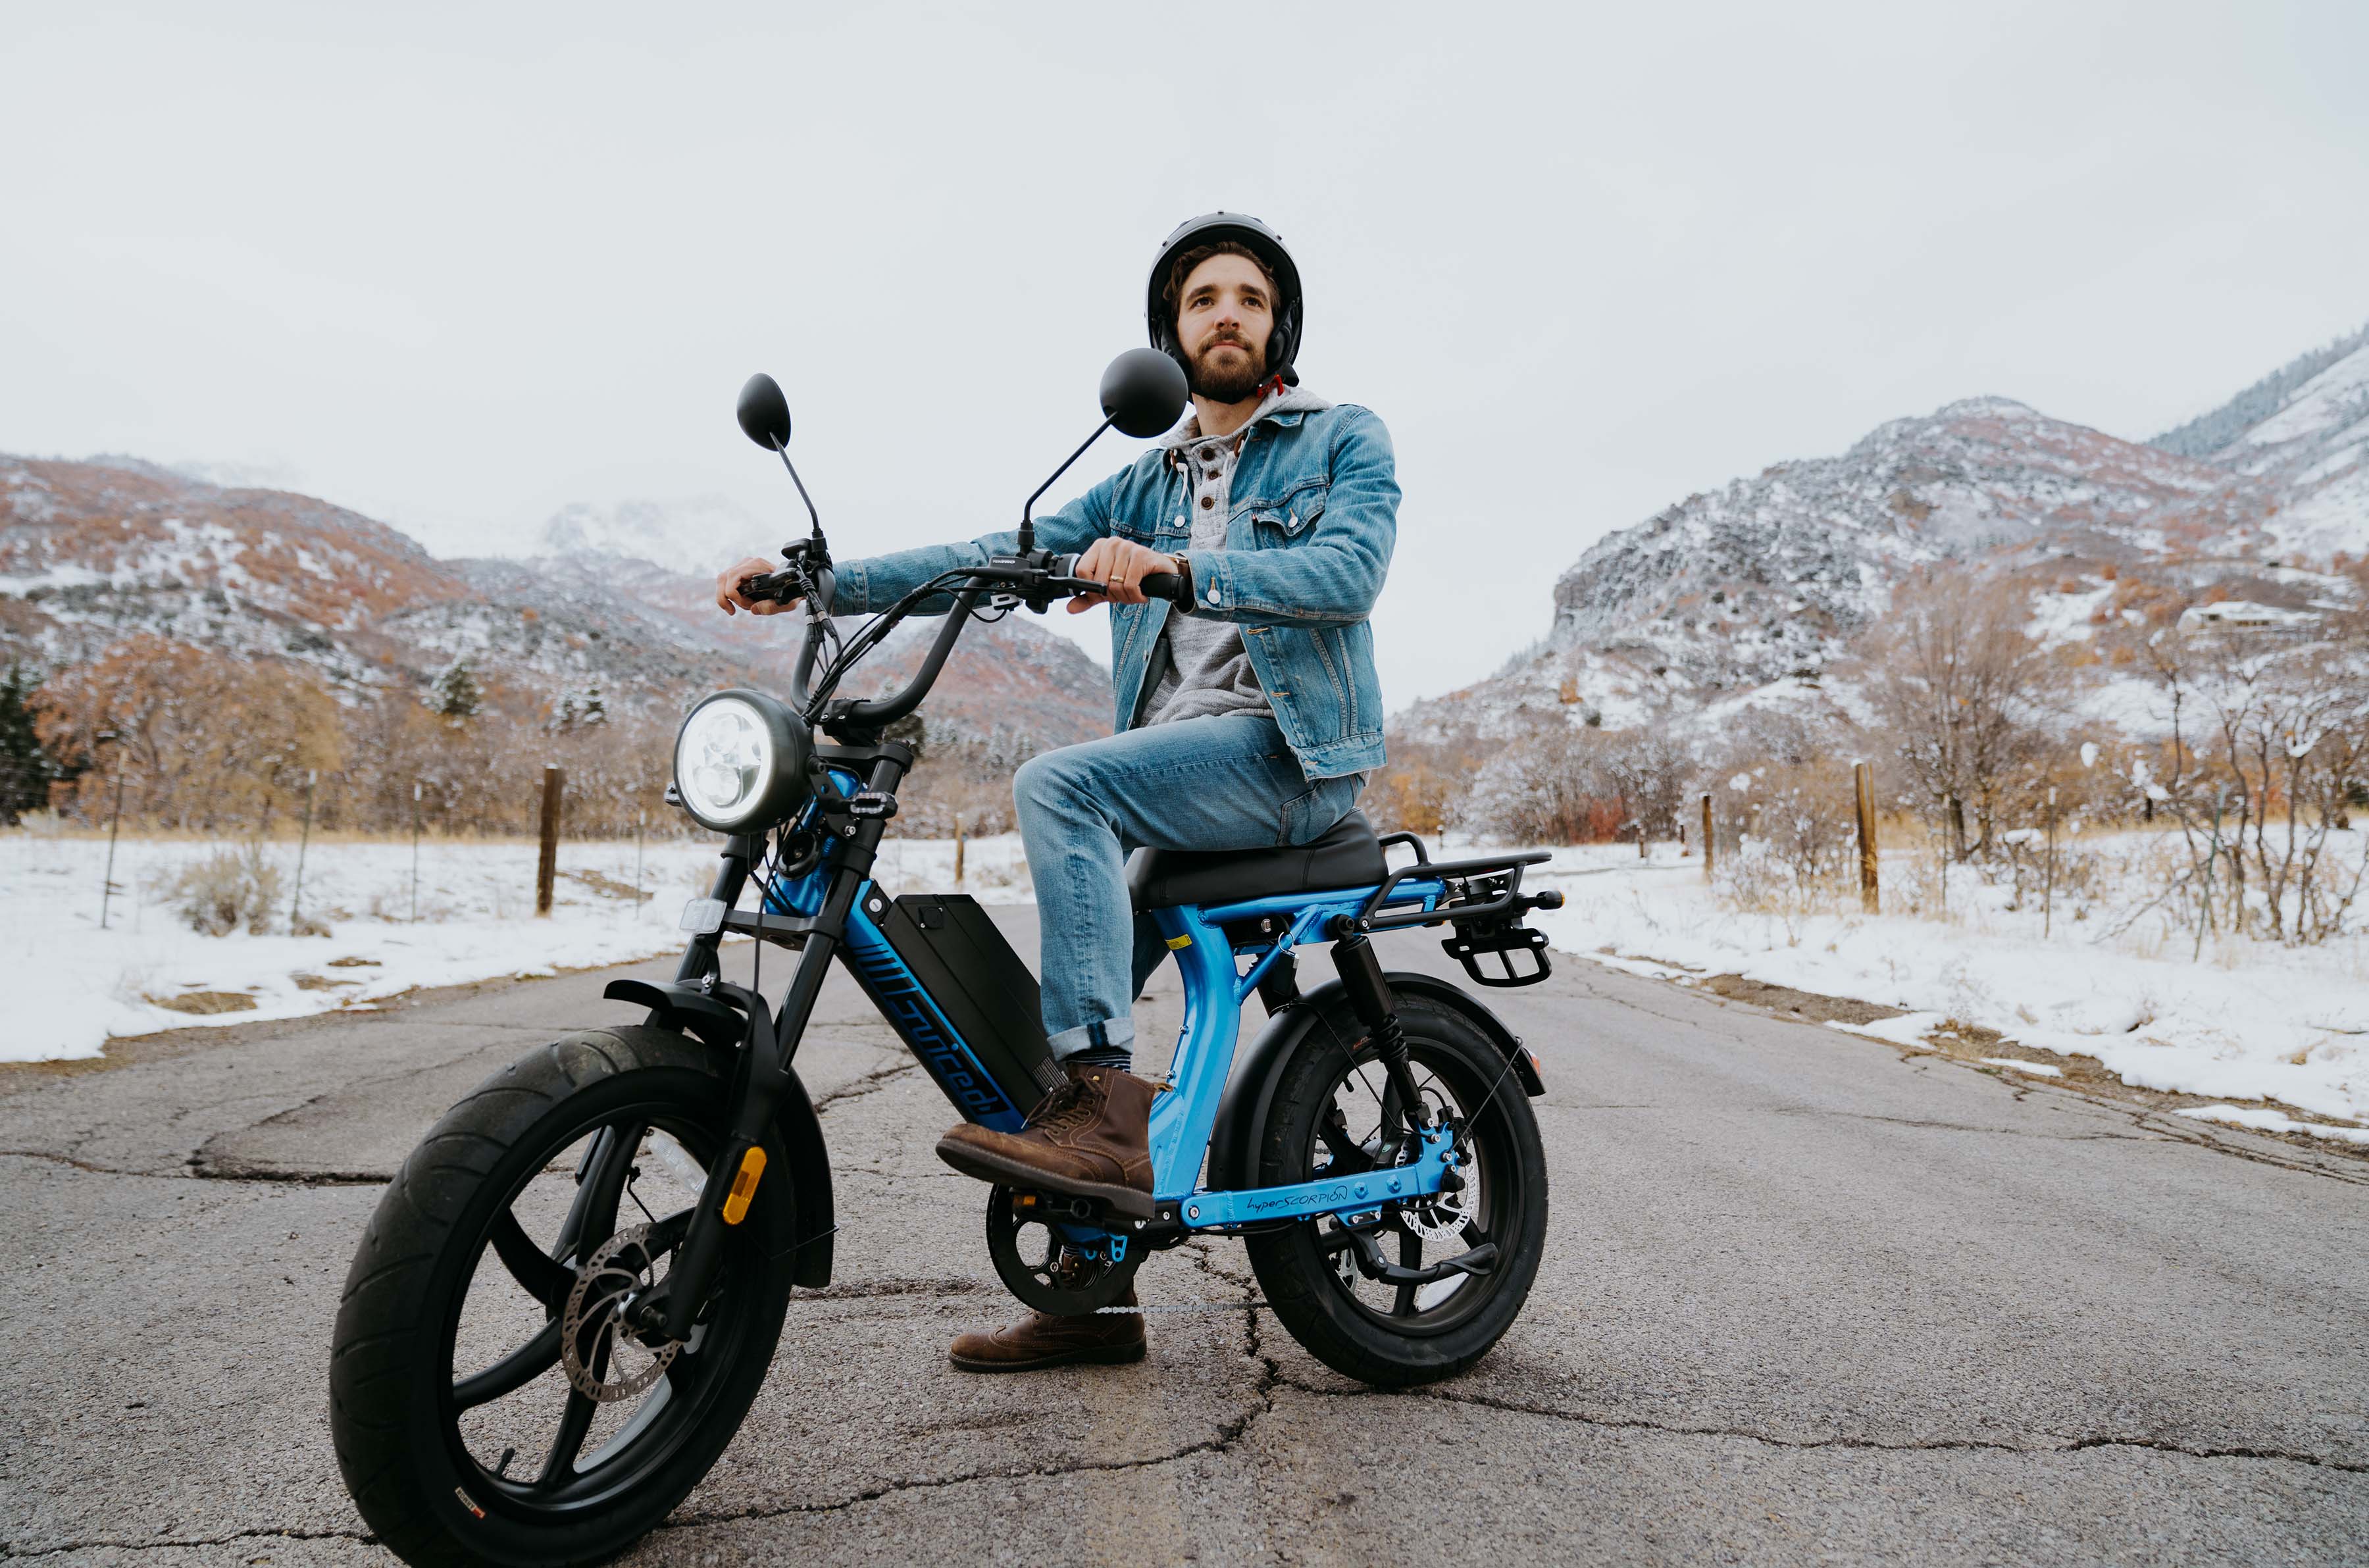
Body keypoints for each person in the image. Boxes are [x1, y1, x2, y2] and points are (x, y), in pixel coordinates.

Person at [715, 212, 1398, 1370]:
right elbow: (996, 553)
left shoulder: (1342, 437)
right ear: (1168, 335)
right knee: (1057, 1029)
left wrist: (1180, 568)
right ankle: (1094, 1291)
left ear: (1279, 322)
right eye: (1200, 300)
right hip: (1178, 775)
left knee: (1062, 790)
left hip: (1288, 760)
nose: (1224, 314)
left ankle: (1105, 1122)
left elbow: (1348, 572)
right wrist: (816, 582)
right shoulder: (1142, 478)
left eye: (1245, 296)